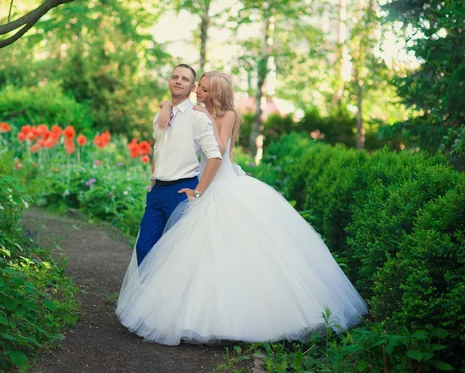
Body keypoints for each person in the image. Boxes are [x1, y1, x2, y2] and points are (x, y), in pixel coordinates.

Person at [116, 70, 368, 346]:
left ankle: (239, 318)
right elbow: (176, 117)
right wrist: (168, 106)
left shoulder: (227, 115)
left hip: (221, 184)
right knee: (191, 253)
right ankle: (182, 309)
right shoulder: (197, 111)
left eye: (204, 88)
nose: (198, 92)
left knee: (236, 250)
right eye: (198, 87)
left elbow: (220, 148)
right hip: (202, 178)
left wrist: (207, 120)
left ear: (216, 93)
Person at [134, 64, 222, 267]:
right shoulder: (159, 117)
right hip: (157, 193)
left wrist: (197, 193)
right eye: (175, 77)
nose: (178, 81)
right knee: (144, 247)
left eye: (184, 79)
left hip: (181, 192)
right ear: (169, 82)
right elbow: (158, 150)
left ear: (192, 87)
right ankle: (149, 296)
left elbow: (215, 157)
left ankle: (168, 299)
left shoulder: (197, 117)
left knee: (175, 254)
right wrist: (154, 179)